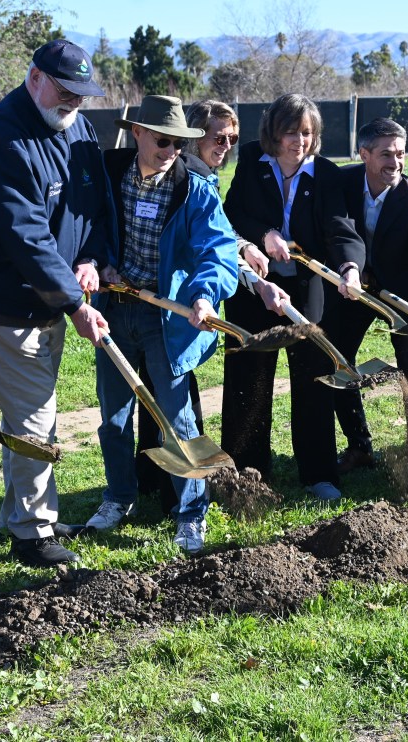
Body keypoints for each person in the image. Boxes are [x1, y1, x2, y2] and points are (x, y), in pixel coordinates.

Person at [0, 39, 112, 568]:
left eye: (82, 96)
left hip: (50, 292)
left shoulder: (73, 123)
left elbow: (93, 197)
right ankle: (32, 534)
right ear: (34, 77)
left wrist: (91, 256)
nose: (74, 105)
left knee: (26, 412)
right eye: (65, 92)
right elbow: (27, 238)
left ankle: (20, 512)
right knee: (36, 417)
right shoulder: (2, 139)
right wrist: (74, 304)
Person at [86, 96, 239, 553]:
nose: (171, 149)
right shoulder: (109, 176)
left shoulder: (193, 189)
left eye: (178, 142)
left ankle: (192, 512)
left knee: (177, 418)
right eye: (162, 140)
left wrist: (204, 294)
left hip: (165, 315)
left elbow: (219, 249)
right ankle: (118, 498)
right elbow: (85, 228)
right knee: (114, 416)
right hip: (117, 309)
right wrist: (101, 263)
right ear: (137, 133)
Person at [133, 99, 275, 513]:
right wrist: (250, 269)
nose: (227, 145)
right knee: (173, 397)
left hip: (184, 300)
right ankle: (169, 486)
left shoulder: (203, 178)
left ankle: (156, 481)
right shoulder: (189, 177)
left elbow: (220, 236)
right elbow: (212, 244)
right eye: (218, 137)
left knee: (163, 393)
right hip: (169, 301)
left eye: (232, 138)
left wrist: (246, 252)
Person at [221, 94, 365, 500]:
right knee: (249, 377)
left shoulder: (327, 175)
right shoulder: (251, 160)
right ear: (273, 132)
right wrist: (265, 235)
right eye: (290, 131)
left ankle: (318, 473)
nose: (298, 141)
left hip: (306, 289)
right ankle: (248, 474)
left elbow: (340, 228)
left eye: (306, 132)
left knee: (313, 377)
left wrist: (350, 267)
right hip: (255, 289)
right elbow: (233, 214)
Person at [326, 118, 408, 472]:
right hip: (353, 290)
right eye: (385, 154)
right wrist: (349, 267)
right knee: (339, 358)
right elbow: (333, 231)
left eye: (400, 153)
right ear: (363, 154)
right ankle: (360, 446)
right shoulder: (342, 182)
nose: (395, 162)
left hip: (402, 291)